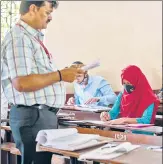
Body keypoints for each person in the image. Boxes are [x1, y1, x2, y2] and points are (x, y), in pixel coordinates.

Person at [1, 1, 83, 164]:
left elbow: (39, 77)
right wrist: (60, 75)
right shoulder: (20, 38)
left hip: (39, 116)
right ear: (33, 8)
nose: (50, 17)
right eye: (47, 12)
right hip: (32, 116)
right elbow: (22, 83)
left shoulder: (31, 38)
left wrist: (65, 73)